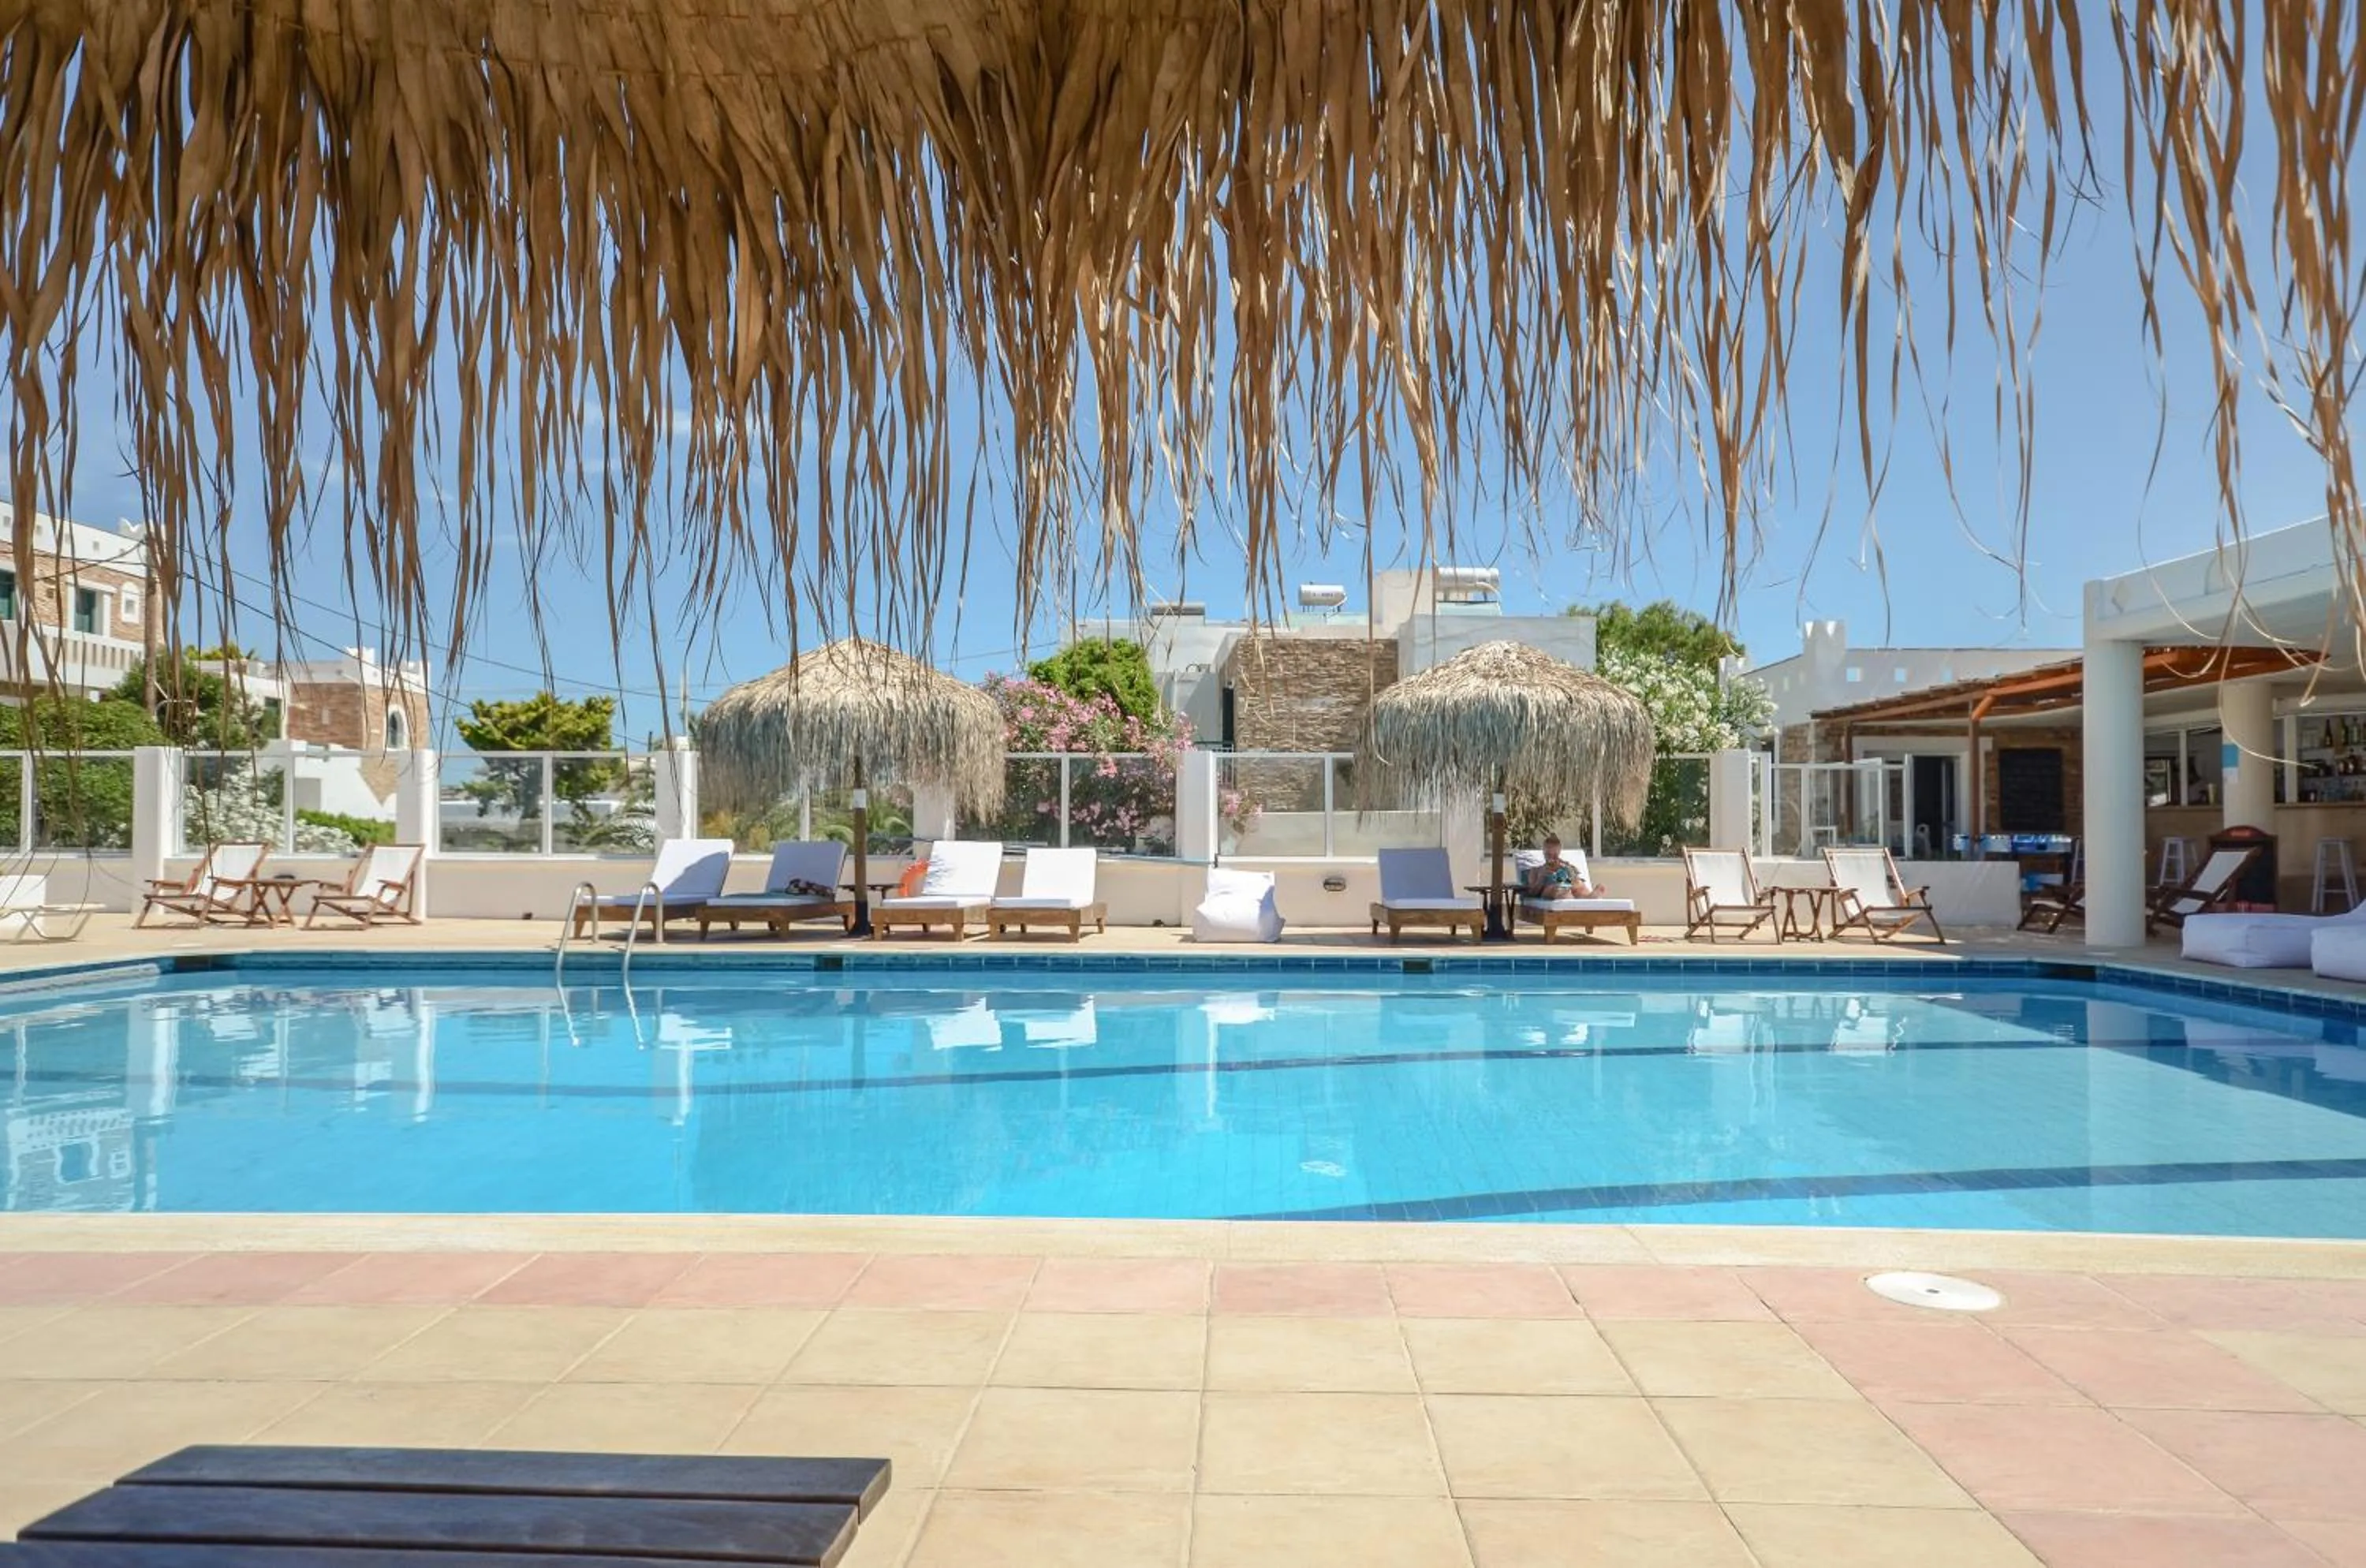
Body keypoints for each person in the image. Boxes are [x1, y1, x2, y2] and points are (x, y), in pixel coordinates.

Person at [1525, 834, 1601, 900]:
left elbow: (1577, 879)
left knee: (1578, 884)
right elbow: (1532, 893)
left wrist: (1569, 871)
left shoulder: (1566, 865)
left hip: (1569, 887)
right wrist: (1541, 878)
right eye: (1549, 855)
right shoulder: (1536, 870)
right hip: (1549, 890)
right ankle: (1565, 893)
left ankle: (1589, 896)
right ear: (1544, 853)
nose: (1552, 858)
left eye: (1555, 856)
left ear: (1559, 853)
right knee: (1554, 888)